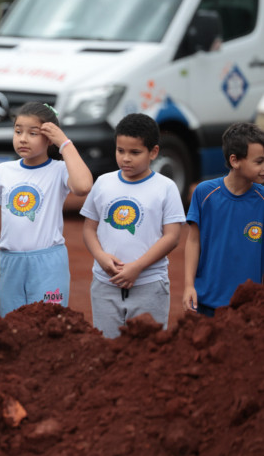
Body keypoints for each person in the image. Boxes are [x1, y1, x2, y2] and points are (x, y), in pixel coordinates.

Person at [0, 102, 92, 317]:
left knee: (49, 324)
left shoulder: (59, 170)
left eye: (33, 133)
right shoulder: (3, 171)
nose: (23, 138)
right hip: (10, 264)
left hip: (49, 265)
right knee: (12, 326)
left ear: (49, 138)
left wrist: (64, 143)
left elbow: (83, 186)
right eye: (18, 131)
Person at [81, 114, 185, 338]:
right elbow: (89, 229)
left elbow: (172, 237)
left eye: (135, 152)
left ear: (153, 152)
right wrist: (101, 256)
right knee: (107, 350)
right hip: (105, 283)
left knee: (148, 352)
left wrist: (136, 267)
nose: (126, 158)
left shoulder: (166, 187)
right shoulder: (103, 183)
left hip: (149, 285)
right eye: (121, 151)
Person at [184, 122, 264, 316]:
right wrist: (188, 286)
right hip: (207, 302)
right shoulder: (204, 193)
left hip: (248, 308)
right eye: (259, 161)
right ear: (235, 160)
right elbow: (193, 241)